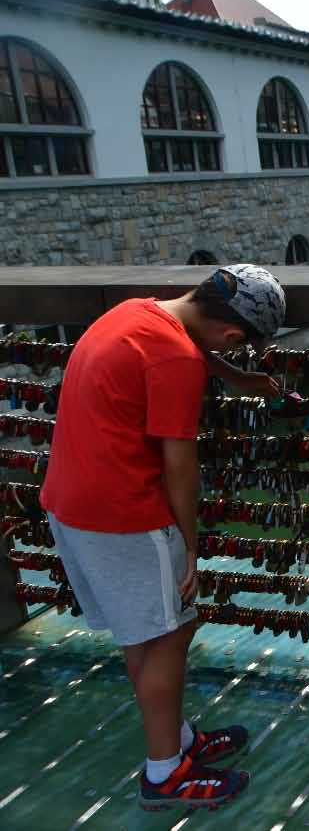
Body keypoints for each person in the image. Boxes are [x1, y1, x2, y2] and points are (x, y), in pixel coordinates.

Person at [39, 265, 285, 811]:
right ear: (234, 336)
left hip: (70, 504)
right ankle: (164, 774)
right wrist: (190, 547)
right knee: (171, 634)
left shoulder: (135, 313)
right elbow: (180, 461)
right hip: (125, 513)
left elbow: (179, 352)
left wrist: (229, 374)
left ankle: (176, 739)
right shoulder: (176, 359)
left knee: (143, 634)